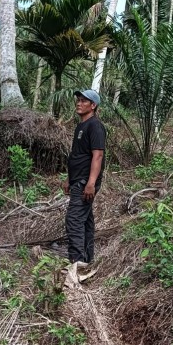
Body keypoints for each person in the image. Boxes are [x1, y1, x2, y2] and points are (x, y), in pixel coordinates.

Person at [62, 89, 106, 264]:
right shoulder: (81, 126)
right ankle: (87, 260)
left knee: (73, 219)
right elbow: (77, 155)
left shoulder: (95, 126)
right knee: (85, 219)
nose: (79, 103)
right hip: (78, 179)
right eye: (78, 100)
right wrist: (69, 178)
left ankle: (77, 262)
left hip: (86, 181)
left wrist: (91, 183)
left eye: (83, 101)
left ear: (93, 106)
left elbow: (98, 156)